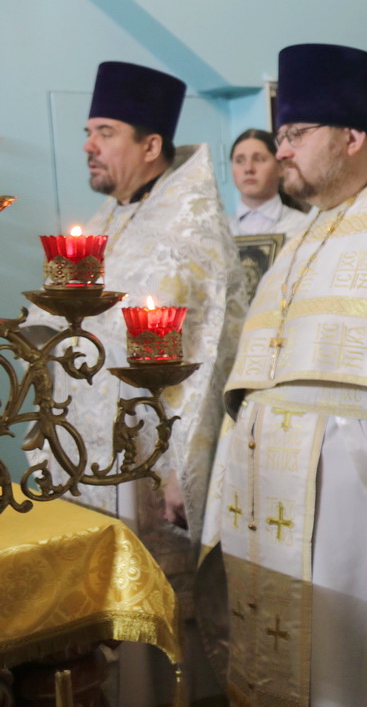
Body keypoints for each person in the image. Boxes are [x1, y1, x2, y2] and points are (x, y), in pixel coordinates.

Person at [201, 43, 367, 706]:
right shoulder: (306, 234)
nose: (281, 150)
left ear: (351, 137)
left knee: (345, 683)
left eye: (295, 133)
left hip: (357, 514)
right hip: (272, 508)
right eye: (280, 136)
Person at [25, 60, 246, 705]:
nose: (89, 145)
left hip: (145, 471)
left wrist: (184, 471)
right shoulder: (103, 222)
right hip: (81, 463)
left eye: (106, 132)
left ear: (151, 146)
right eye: (87, 131)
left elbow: (213, 355)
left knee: (148, 633)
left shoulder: (192, 232)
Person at [228, 127, 311, 237]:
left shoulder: (303, 226)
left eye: (258, 159)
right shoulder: (219, 231)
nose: (248, 168)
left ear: (281, 167)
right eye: (240, 161)